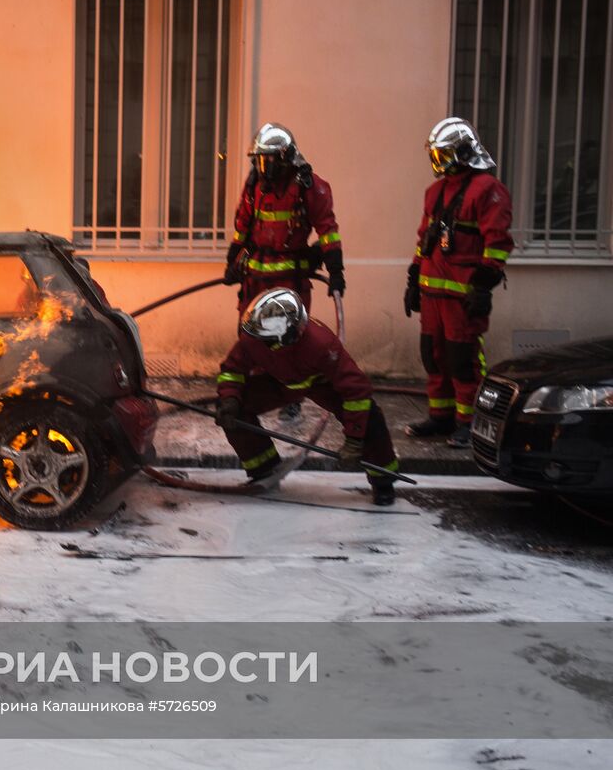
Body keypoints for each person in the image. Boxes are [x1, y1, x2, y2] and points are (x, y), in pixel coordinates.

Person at [215, 288, 400, 506]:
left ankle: (383, 481)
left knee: (370, 417)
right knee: (233, 410)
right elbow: (232, 369)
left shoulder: (322, 344)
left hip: (321, 384)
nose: (261, 343)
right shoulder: (255, 337)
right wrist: (229, 398)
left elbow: (355, 391)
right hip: (279, 380)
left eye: (268, 340)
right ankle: (264, 470)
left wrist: (354, 439)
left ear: (287, 335)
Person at [404, 118, 513, 449]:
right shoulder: (435, 192)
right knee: (433, 357)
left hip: (462, 295)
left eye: (444, 154)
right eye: (436, 155)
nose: (439, 162)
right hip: (432, 292)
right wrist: (413, 279)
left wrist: (483, 284)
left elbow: (497, 243)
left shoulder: (488, 190)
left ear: (464, 152)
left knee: (462, 361)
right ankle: (441, 417)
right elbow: (425, 240)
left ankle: (469, 422)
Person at [223, 123, 345, 312]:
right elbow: (242, 228)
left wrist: (336, 272)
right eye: (260, 161)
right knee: (250, 338)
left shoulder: (307, 187)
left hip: (291, 285)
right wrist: (232, 263)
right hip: (254, 283)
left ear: (285, 158)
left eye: (268, 161)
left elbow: (327, 231)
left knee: (289, 338)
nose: (263, 169)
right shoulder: (253, 187)